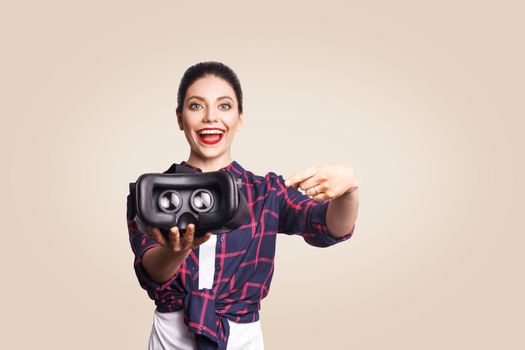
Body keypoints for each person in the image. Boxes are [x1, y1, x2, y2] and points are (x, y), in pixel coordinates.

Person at [126, 61, 360, 350]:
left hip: (241, 339)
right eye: (196, 106)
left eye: (224, 106)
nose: (211, 117)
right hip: (171, 339)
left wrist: (349, 189)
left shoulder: (266, 193)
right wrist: (178, 251)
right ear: (179, 118)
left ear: (240, 117)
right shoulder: (152, 194)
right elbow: (150, 272)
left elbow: (328, 227)